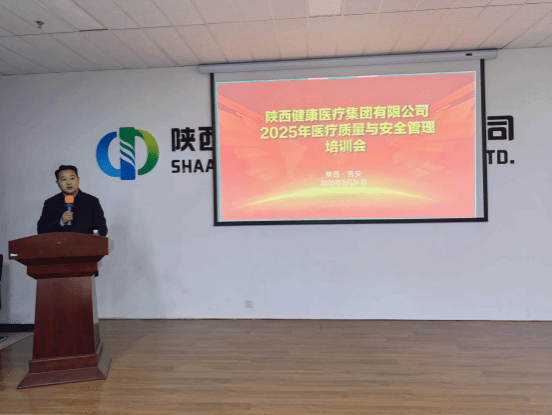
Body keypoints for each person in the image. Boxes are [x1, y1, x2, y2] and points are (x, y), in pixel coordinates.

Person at [37, 165, 108, 236]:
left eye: (72, 178)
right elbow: (41, 230)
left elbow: (102, 229)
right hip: (59, 243)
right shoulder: (50, 203)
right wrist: (61, 222)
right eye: (64, 179)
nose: (68, 183)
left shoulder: (92, 201)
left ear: (78, 180)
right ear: (58, 183)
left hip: (84, 242)